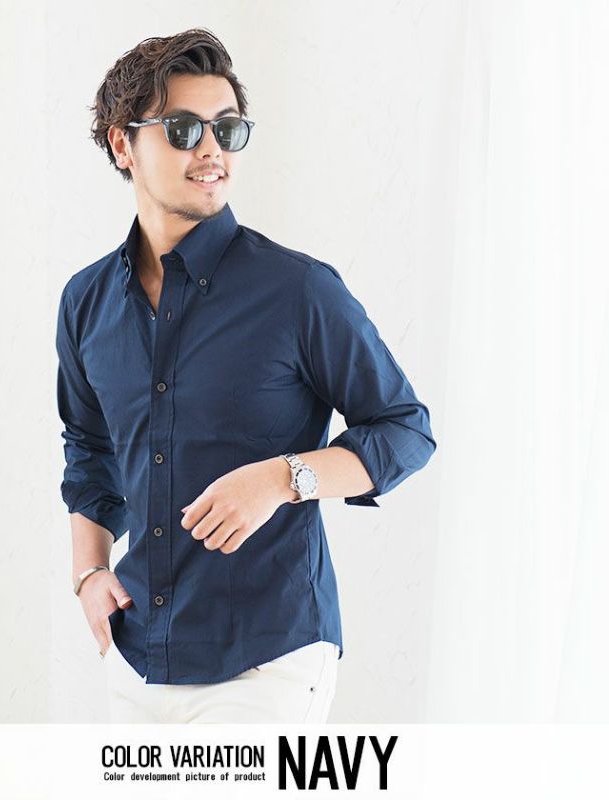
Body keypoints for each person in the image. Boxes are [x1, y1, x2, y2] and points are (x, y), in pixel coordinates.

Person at [55, 28, 436, 724]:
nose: (211, 150)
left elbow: (406, 430)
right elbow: (88, 447)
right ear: (122, 145)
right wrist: (89, 572)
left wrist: (284, 478)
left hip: (267, 658)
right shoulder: (87, 302)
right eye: (183, 129)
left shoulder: (298, 291)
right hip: (138, 656)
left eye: (227, 129)